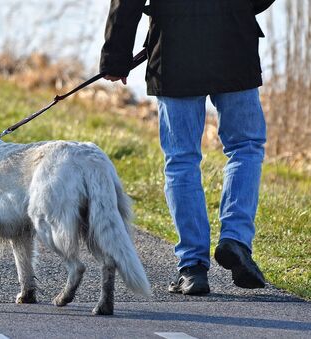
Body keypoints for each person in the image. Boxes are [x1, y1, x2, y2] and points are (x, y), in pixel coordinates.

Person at [100, 0, 275, 295]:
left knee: (181, 159)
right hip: (234, 38)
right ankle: (235, 239)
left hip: (174, 46)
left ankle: (193, 267)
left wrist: (115, 57)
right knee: (245, 146)